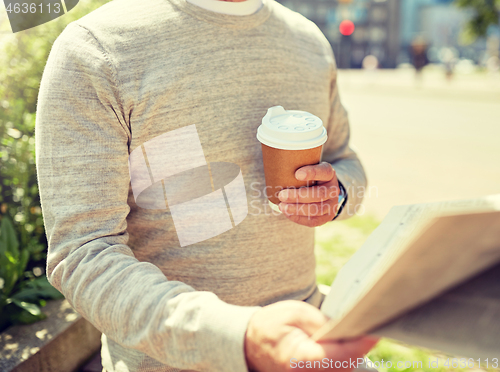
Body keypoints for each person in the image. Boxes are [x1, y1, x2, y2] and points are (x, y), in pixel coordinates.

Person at [35, 0, 376, 371]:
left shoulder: (308, 41)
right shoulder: (95, 47)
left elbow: (346, 160)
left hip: (315, 349)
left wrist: (336, 193)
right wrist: (239, 337)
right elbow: (83, 253)